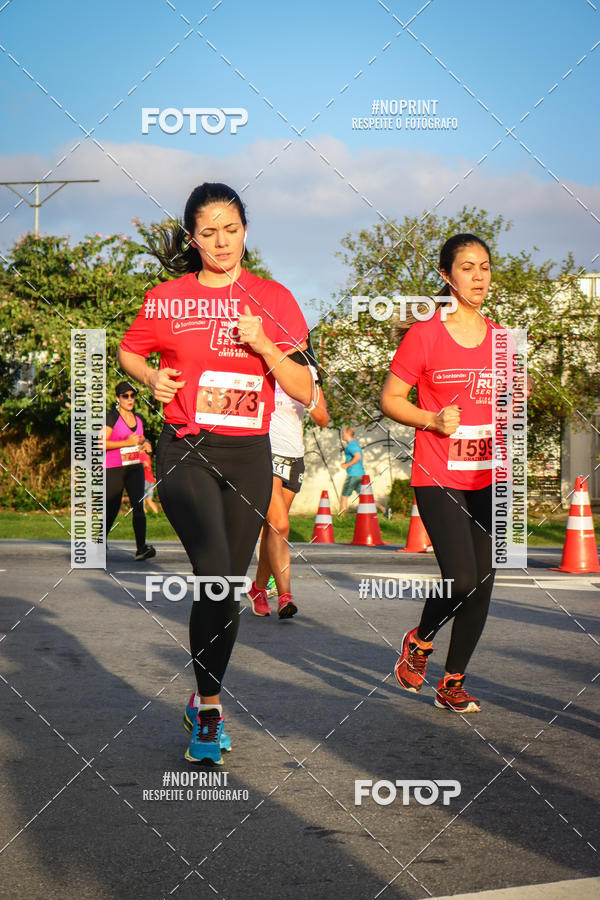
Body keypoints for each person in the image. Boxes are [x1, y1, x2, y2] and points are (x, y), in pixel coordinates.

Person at [117, 182, 314, 764]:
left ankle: (204, 693)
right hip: (185, 447)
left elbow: (303, 388)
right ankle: (209, 713)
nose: (221, 241)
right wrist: (152, 379)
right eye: (208, 232)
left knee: (224, 587)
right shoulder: (167, 299)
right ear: (192, 238)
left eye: (231, 229)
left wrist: (265, 347)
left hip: (250, 454)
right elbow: (130, 351)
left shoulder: (274, 300)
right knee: (211, 571)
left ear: (246, 232)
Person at [381, 233, 502, 714]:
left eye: (485, 267)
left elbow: (510, 406)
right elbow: (390, 399)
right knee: (461, 578)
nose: (478, 276)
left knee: (485, 579)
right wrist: (432, 419)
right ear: (446, 276)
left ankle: (452, 682)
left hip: (490, 474)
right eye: (468, 267)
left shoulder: (503, 340)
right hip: (438, 473)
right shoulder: (425, 334)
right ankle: (420, 639)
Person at [248, 335, 329, 619]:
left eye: (302, 338)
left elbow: (323, 417)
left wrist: (307, 397)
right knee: (280, 525)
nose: (298, 342)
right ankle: (285, 596)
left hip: (294, 458)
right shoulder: (263, 363)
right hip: (265, 454)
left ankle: (258, 588)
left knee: (273, 532)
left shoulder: (308, 372)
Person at [102, 381, 156, 561]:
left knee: (138, 506)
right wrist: (127, 443)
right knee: (112, 508)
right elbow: (101, 443)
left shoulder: (139, 417)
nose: (130, 399)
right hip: (114, 468)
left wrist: (146, 443)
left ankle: (141, 548)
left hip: (134, 467)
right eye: (125, 396)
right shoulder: (111, 417)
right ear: (118, 398)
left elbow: (140, 438)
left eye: (132, 395)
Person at [339, 426, 365, 514]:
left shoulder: (351, 445)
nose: (342, 435)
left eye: (343, 433)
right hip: (361, 475)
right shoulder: (354, 444)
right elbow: (355, 457)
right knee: (365, 497)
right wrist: (345, 462)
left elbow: (358, 457)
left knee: (344, 496)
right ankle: (385, 510)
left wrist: (347, 465)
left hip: (353, 475)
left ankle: (341, 519)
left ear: (348, 434)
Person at [140, 448, 160, 514]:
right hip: (150, 479)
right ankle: (157, 514)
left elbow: (145, 464)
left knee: (141, 499)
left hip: (145, 479)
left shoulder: (141, 455)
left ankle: (143, 514)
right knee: (149, 500)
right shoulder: (147, 455)